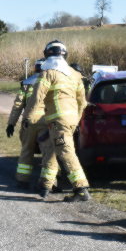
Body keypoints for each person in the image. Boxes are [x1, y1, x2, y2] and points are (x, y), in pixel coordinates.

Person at [26, 40, 90, 202]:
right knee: (53, 150)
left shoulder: (48, 74)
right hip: (70, 120)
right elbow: (82, 102)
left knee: (66, 152)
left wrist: (28, 116)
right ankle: (46, 185)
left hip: (57, 120)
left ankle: (81, 188)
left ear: (47, 55)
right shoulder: (75, 75)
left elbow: (36, 97)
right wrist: (76, 120)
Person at [6, 58, 45, 188]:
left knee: (27, 151)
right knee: (49, 154)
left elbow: (17, 106)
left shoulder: (26, 84)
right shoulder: (53, 82)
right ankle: (49, 183)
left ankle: (22, 181)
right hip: (47, 124)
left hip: (28, 123)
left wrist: (11, 124)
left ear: (35, 68)